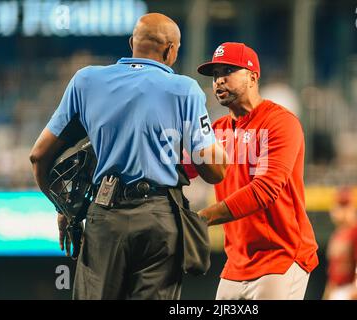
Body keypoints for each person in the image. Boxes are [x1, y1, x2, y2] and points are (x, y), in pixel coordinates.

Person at [29, 13, 227, 300]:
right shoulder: (184, 89)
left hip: (104, 217)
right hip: (159, 218)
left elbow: (38, 157)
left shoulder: (86, 80)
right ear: (171, 50)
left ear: (132, 42)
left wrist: (64, 209)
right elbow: (213, 171)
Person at [195, 42, 319, 300]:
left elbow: (266, 190)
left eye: (228, 71)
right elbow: (178, 170)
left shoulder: (281, 122)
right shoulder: (216, 130)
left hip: (282, 255)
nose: (219, 81)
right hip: (236, 262)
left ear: (252, 76)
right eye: (215, 74)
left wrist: (202, 217)